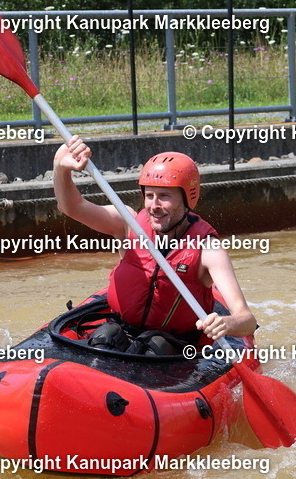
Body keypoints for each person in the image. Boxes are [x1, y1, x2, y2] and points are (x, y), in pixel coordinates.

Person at [53, 135, 257, 352]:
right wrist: (61, 168)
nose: (154, 205)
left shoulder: (208, 249)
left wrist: (226, 323)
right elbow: (72, 207)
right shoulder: (128, 224)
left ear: (188, 198)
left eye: (164, 196)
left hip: (173, 345)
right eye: (149, 195)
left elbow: (247, 320)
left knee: (156, 346)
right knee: (105, 336)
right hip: (121, 329)